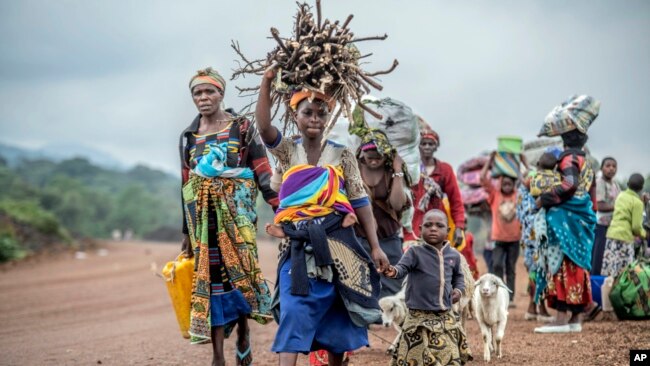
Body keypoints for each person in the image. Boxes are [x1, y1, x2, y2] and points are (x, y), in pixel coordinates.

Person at [255, 67, 389, 366]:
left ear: (328, 118)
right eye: (307, 112)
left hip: (339, 244)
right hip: (298, 247)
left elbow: (360, 201)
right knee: (293, 310)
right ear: (296, 116)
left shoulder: (342, 155)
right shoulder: (288, 150)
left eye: (320, 113)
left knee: (338, 316)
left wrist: (376, 246)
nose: (314, 118)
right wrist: (266, 81)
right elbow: (264, 129)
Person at [179, 67, 279, 366]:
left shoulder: (242, 127)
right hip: (204, 224)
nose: (204, 97)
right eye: (197, 92)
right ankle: (218, 356)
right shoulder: (189, 136)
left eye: (209, 91)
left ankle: (245, 333)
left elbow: (263, 171)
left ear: (221, 94)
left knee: (241, 276)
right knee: (211, 282)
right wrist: (186, 235)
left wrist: (282, 212)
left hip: (239, 219)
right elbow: (185, 187)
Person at [383, 209, 472, 365]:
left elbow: (459, 278)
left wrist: (458, 290)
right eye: (428, 225)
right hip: (417, 319)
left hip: (444, 316)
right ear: (420, 229)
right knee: (415, 358)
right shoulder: (414, 253)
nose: (433, 228)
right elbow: (401, 269)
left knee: (449, 356)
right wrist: (392, 271)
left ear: (448, 231)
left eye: (439, 225)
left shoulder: (454, 256)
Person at [533, 129, 598, 333]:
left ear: (564, 141)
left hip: (567, 217)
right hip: (583, 217)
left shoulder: (569, 158)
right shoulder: (587, 162)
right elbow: (591, 196)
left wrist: (543, 199)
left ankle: (561, 319)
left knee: (563, 262)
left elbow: (569, 185)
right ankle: (576, 317)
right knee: (578, 265)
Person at [353, 128, 410, 298]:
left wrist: (397, 170)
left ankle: (387, 317)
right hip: (359, 236)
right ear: (362, 152)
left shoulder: (390, 170)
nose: (373, 161)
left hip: (388, 236)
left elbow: (397, 203)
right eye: (370, 157)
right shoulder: (352, 168)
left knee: (393, 279)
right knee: (361, 281)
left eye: (379, 157)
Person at [409, 122, 465, 248]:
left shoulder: (445, 170)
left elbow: (455, 201)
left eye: (431, 144)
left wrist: (459, 227)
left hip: (438, 226)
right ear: (418, 146)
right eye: (423, 143)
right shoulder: (411, 169)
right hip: (414, 226)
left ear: (436, 147)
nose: (427, 147)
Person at [480, 151, 522, 306]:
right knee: (497, 265)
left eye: (509, 184)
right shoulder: (495, 194)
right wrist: (490, 160)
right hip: (498, 239)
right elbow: (483, 179)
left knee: (511, 268)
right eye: (504, 184)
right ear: (500, 184)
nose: (507, 186)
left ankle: (509, 298)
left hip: (514, 239)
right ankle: (499, 293)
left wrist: (521, 162)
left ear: (513, 185)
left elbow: (527, 183)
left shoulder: (518, 195)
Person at [601, 174, 648, 276]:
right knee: (625, 273)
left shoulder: (621, 195)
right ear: (641, 188)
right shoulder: (637, 203)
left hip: (611, 235)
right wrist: (645, 234)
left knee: (610, 269)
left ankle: (606, 291)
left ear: (627, 184)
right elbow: (636, 227)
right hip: (624, 239)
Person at [591, 157, 621, 275]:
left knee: (607, 257)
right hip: (600, 225)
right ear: (601, 168)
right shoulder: (600, 182)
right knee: (598, 256)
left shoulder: (615, 184)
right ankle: (594, 284)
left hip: (611, 226)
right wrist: (619, 206)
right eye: (608, 166)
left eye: (614, 166)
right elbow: (600, 205)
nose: (611, 169)